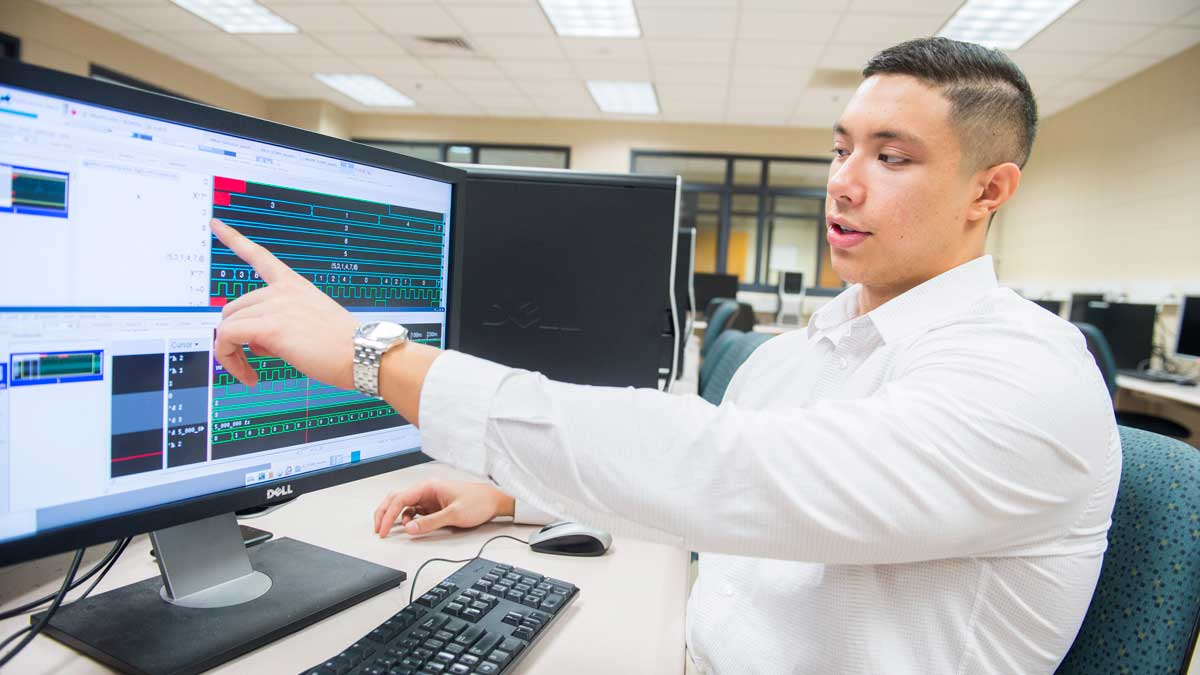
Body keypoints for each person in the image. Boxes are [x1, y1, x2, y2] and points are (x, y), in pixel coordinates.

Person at [210, 37, 1120, 674]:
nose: (844, 181)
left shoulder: (1030, 374)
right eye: (842, 148)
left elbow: (732, 477)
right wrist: (518, 497)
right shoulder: (811, 348)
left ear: (988, 189)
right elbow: (706, 486)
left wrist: (380, 358)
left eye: (893, 157)